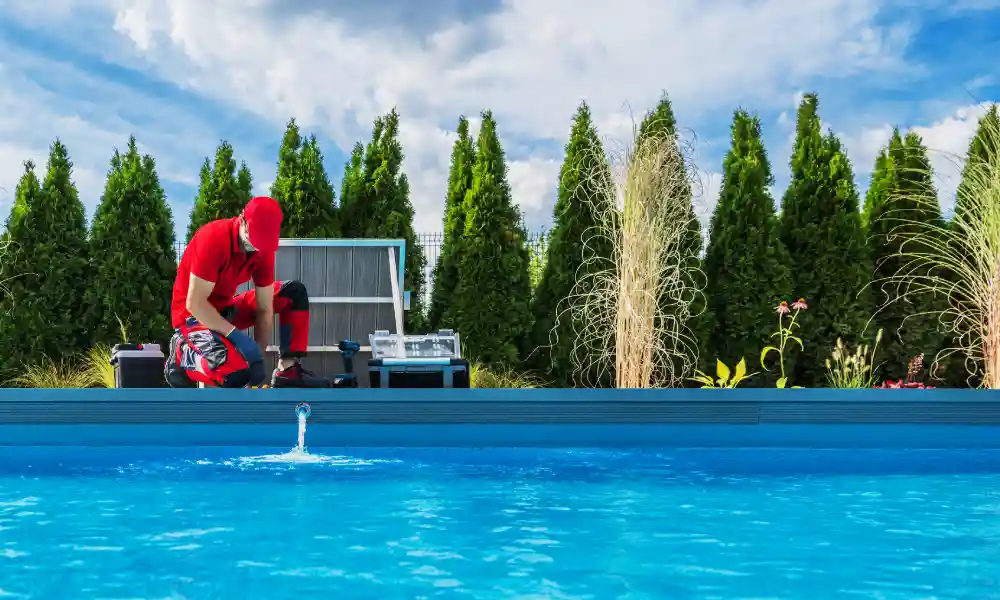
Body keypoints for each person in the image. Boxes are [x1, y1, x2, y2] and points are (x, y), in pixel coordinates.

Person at [165, 196, 330, 388]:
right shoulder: (213, 239)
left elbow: (264, 308)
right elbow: (195, 304)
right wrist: (237, 337)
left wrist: (257, 356)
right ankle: (182, 354)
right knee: (234, 375)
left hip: (224, 310)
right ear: (242, 220)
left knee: (293, 293)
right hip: (193, 318)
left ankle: (287, 371)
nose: (257, 247)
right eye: (255, 238)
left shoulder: (263, 248)